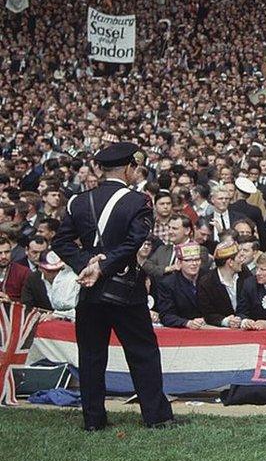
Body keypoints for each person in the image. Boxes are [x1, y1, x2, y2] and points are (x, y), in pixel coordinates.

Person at [50, 142, 177, 431]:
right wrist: (103, 265)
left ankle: (93, 420)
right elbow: (133, 243)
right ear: (130, 167)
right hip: (126, 290)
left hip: (90, 291)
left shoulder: (78, 201)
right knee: (142, 352)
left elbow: (60, 242)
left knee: (91, 355)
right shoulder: (139, 201)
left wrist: (87, 263)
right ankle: (156, 417)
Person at [155, 243, 210, 329]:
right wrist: (187, 323)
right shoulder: (168, 283)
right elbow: (166, 315)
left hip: (210, 326)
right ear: (179, 263)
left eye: (197, 259)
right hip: (183, 330)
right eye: (188, 260)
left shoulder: (208, 278)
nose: (194, 263)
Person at [197, 241, 252, 328]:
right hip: (220, 331)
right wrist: (226, 321)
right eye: (240, 257)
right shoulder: (206, 282)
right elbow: (208, 313)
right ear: (230, 262)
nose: (242, 260)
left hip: (246, 326)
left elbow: (251, 301)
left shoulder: (244, 273)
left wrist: (243, 319)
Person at [0, 234, 30, 302]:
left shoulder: (23, 272)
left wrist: (11, 302)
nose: (4, 256)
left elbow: (28, 302)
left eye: (7, 252)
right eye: (0, 253)